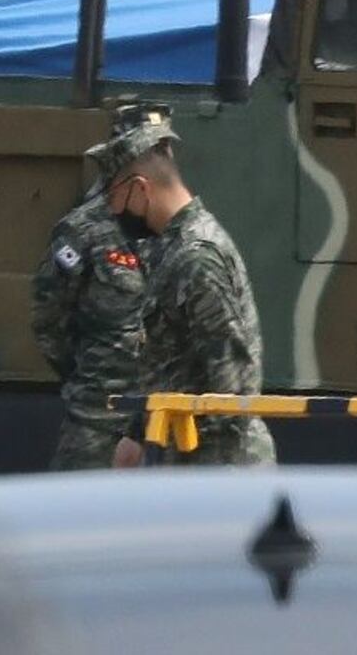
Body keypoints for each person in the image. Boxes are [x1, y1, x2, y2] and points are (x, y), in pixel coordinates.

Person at [88, 119, 276, 466]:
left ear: (141, 189)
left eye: (114, 199)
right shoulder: (170, 249)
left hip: (219, 465)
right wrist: (135, 433)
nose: (114, 214)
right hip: (186, 458)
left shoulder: (197, 257)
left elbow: (232, 388)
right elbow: (171, 360)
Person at [30, 103, 175, 470]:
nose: (158, 159)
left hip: (164, 416)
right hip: (98, 417)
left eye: (163, 150)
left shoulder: (178, 228)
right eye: (148, 150)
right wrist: (88, 378)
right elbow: (50, 318)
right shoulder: (83, 230)